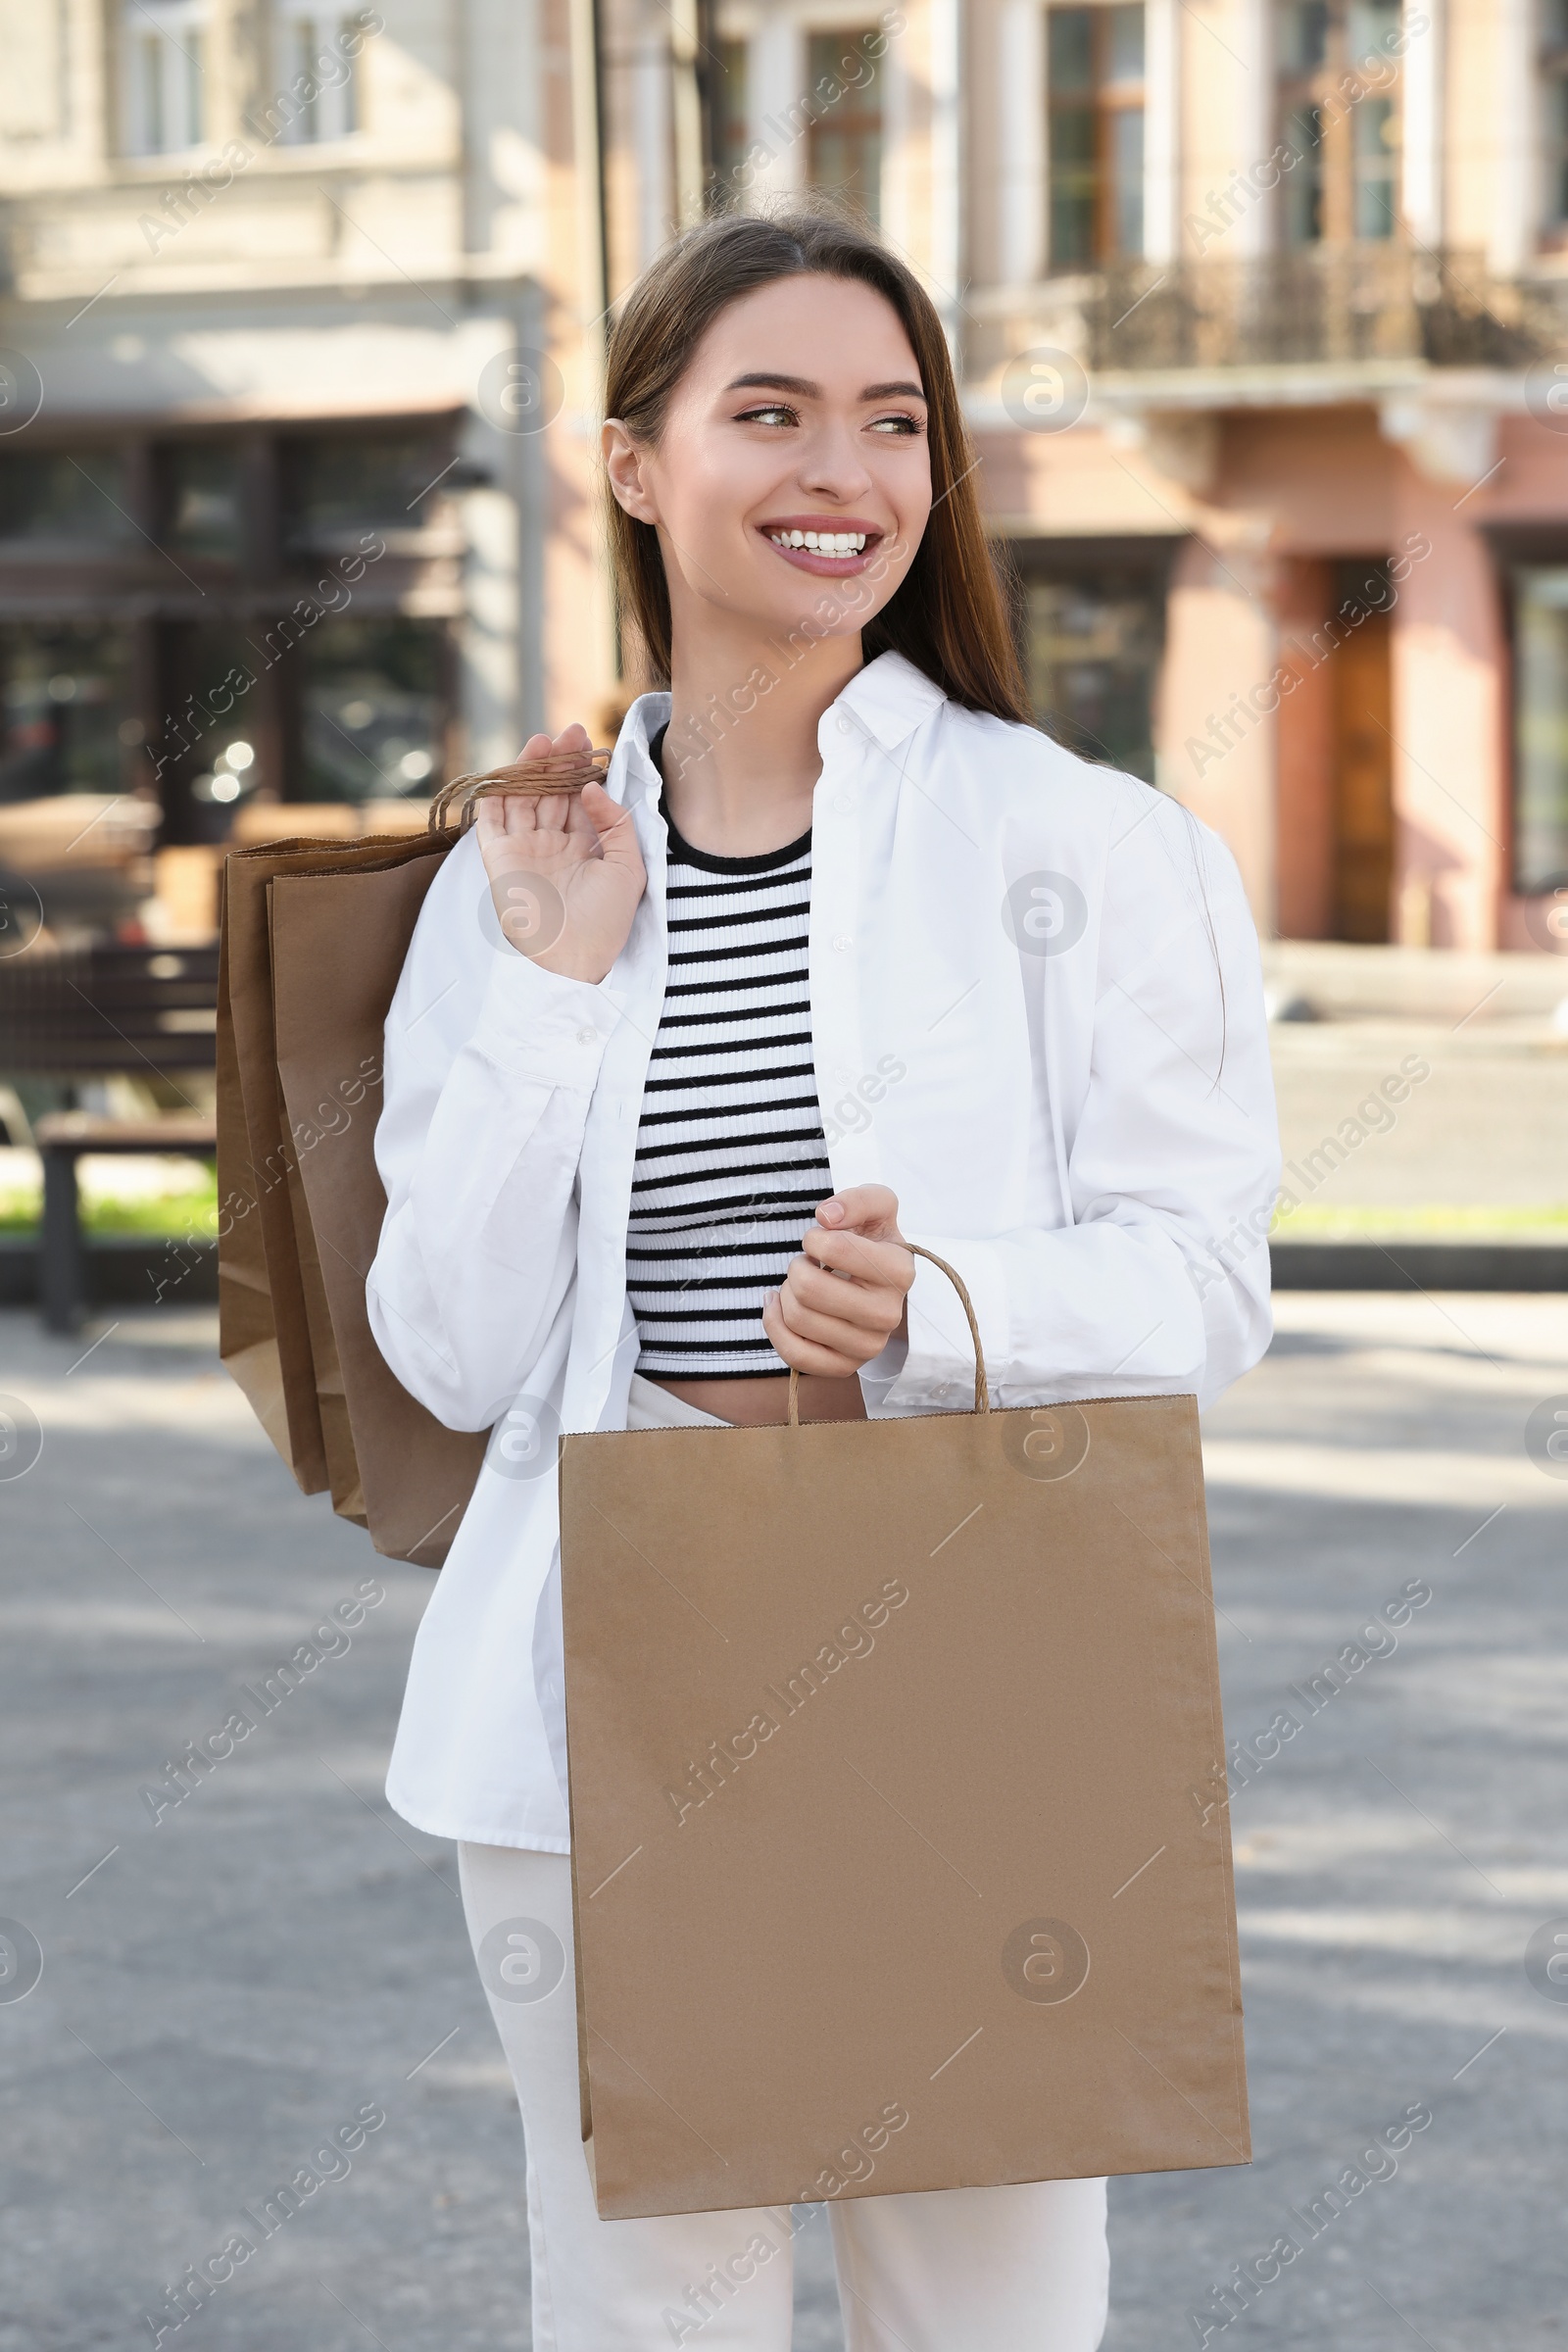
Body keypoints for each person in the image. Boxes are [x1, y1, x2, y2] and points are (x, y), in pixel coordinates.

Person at [367, 204, 1279, 2352]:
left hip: (963, 1645)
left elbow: (1200, 1286)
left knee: (987, 2320)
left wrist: (942, 1302)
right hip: (603, 1683)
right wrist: (564, 994)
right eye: (764, 412)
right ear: (628, 465)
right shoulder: (518, 877)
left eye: (890, 422)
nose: (838, 472)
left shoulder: (1087, 845)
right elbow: (448, 1344)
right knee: (641, 2318)